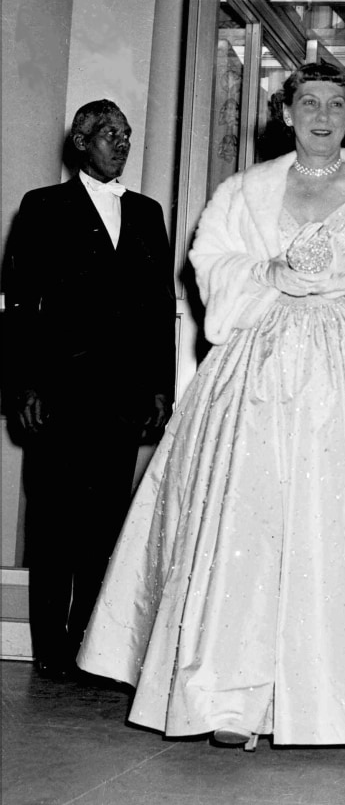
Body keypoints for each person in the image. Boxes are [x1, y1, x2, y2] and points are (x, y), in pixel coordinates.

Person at [77, 63, 345, 750]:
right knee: (252, 526)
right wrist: (267, 273)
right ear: (286, 112)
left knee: (337, 530)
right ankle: (234, 699)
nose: (322, 115)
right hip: (260, 372)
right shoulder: (246, 190)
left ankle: (340, 702)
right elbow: (212, 262)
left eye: (336, 103)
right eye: (309, 102)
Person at [4, 99, 176, 680]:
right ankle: (51, 651)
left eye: (126, 134)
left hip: (123, 399)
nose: (121, 142)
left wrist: (161, 389)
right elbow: (21, 307)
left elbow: (159, 312)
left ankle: (89, 646)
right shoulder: (43, 207)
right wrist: (23, 385)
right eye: (108, 133)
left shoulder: (148, 214)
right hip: (57, 395)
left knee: (104, 525)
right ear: (81, 143)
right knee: (53, 523)